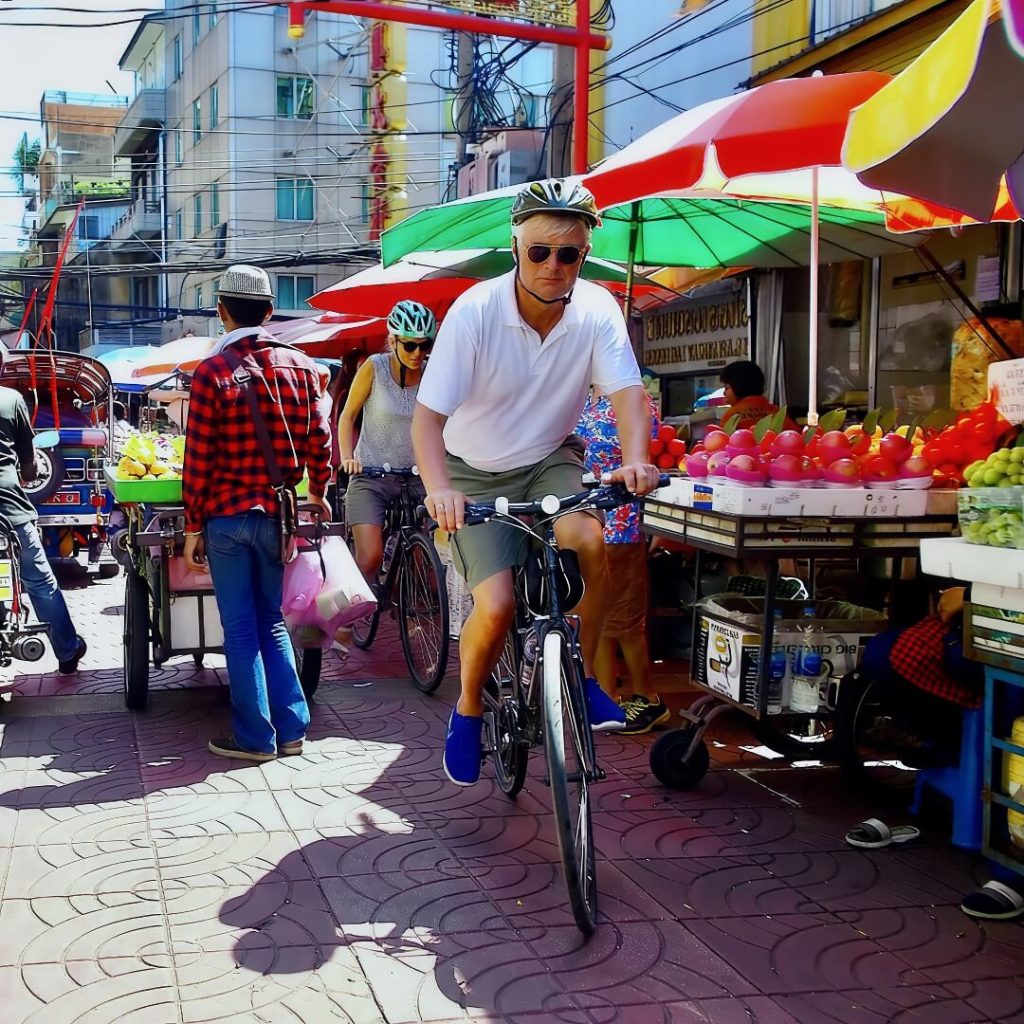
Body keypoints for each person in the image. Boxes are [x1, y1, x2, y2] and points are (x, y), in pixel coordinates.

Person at [412, 178, 661, 787]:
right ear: (516, 247)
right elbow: (427, 420)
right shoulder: (475, 311)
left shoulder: (598, 308)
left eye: (569, 253)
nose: (554, 265)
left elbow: (628, 395)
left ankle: (586, 678)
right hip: (472, 470)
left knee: (591, 540)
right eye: (539, 251)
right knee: (495, 606)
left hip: (551, 455)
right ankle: (469, 708)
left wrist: (636, 458)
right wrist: (439, 489)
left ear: (584, 255)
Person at [182, 265, 332, 762]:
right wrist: (320, 491)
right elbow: (320, 443)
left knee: (242, 629)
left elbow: (197, 459)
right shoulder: (305, 368)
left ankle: (254, 738)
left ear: (222, 311)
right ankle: (291, 729)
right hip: (278, 516)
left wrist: (191, 524)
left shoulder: (212, 372)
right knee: (272, 622)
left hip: (225, 517)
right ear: (269, 312)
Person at [576, 385, 670, 735]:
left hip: (621, 522)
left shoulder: (632, 397)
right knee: (595, 617)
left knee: (625, 619)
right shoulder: (584, 397)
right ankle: (607, 698)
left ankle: (648, 697)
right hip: (587, 519)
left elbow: (647, 448)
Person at [338, 300, 435, 579]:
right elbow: (348, 416)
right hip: (371, 476)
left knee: (425, 558)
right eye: (410, 345)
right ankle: (345, 615)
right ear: (392, 340)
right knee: (370, 558)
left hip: (418, 478)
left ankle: (407, 612)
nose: (418, 353)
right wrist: (347, 458)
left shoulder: (432, 372)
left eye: (425, 345)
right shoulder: (374, 367)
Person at [0, 376, 87, 673]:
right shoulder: (10, 400)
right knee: (39, 581)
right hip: (10, 508)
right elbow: (29, 462)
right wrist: (27, 474)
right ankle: (67, 650)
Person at [720, 360, 797, 431]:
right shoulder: (776, 412)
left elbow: (719, 441)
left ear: (738, 386)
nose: (724, 393)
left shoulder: (732, 416)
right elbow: (795, 435)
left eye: (727, 387)